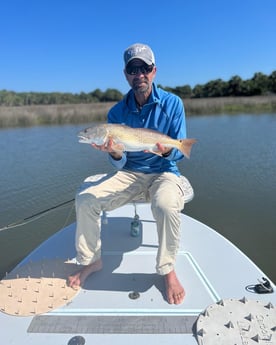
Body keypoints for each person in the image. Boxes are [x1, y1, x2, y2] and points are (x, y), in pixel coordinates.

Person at [68, 43, 191, 305]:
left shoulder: (173, 104)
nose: (140, 74)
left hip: (164, 171)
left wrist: (168, 151)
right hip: (130, 172)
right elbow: (121, 161)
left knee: (167, 205)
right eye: (133, 69)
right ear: (126, 74)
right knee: (85, 199)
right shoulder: (115, 114)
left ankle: (167, 269)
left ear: (154, 71)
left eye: (144, 68)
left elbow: (179, 152)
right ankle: (92, 261)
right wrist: (113, 153)